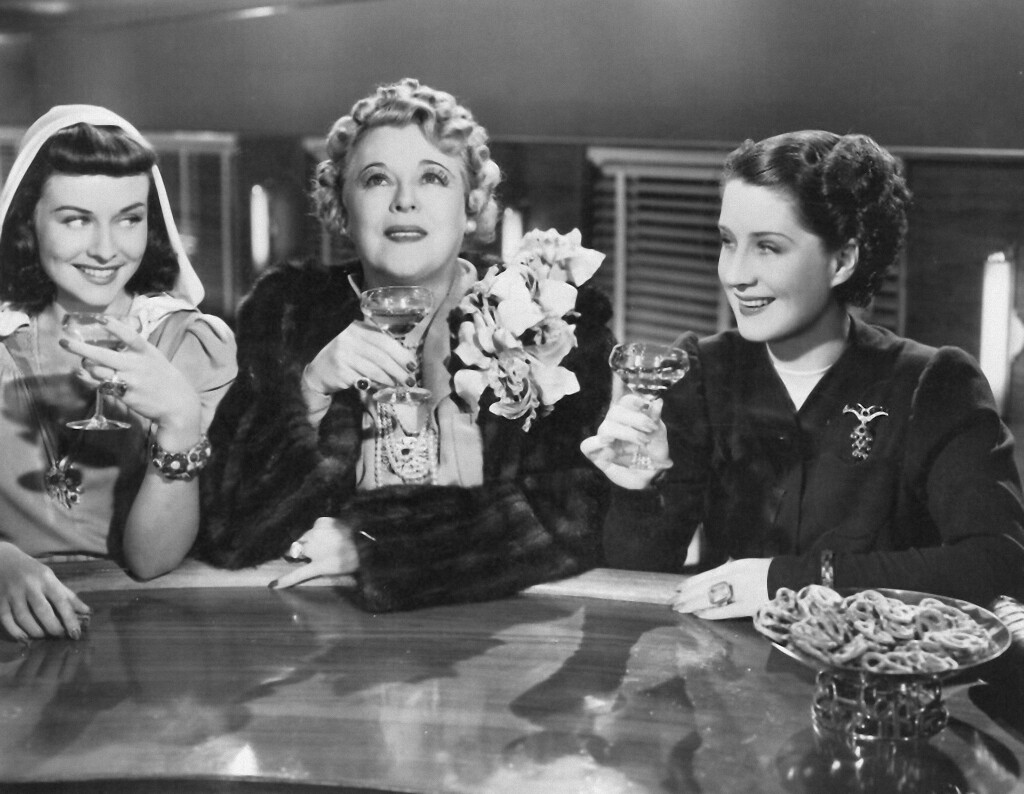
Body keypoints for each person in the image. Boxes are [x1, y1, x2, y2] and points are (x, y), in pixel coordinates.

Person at [196, 78, 613, 611]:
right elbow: (229, 532)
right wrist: (311, 390)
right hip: (325, 631)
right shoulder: (287, 316)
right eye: (376, 180)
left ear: (471, 204)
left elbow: (569, 520)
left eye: (433, 177)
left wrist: (371, 543)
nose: (404, 201)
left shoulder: (549, 319)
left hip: (505, 633)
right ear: (342, 208)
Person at [582, 130, 1024, 617]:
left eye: (768, 247)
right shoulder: (701, 372)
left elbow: (998, 563)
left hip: (874, 661)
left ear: (842, 261)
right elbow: (639, 575)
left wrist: (787, 581)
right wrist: (637, 489)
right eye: (728, 242)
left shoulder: (935, 384)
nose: (736, 274)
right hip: (721, 660)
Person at [0, 105, 237, 641]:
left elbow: (152, 561)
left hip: (146, 630)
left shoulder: (191, 343)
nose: (107, 250)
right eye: (76, 219)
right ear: (27, 222)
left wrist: (180, 420)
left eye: (129, 218)